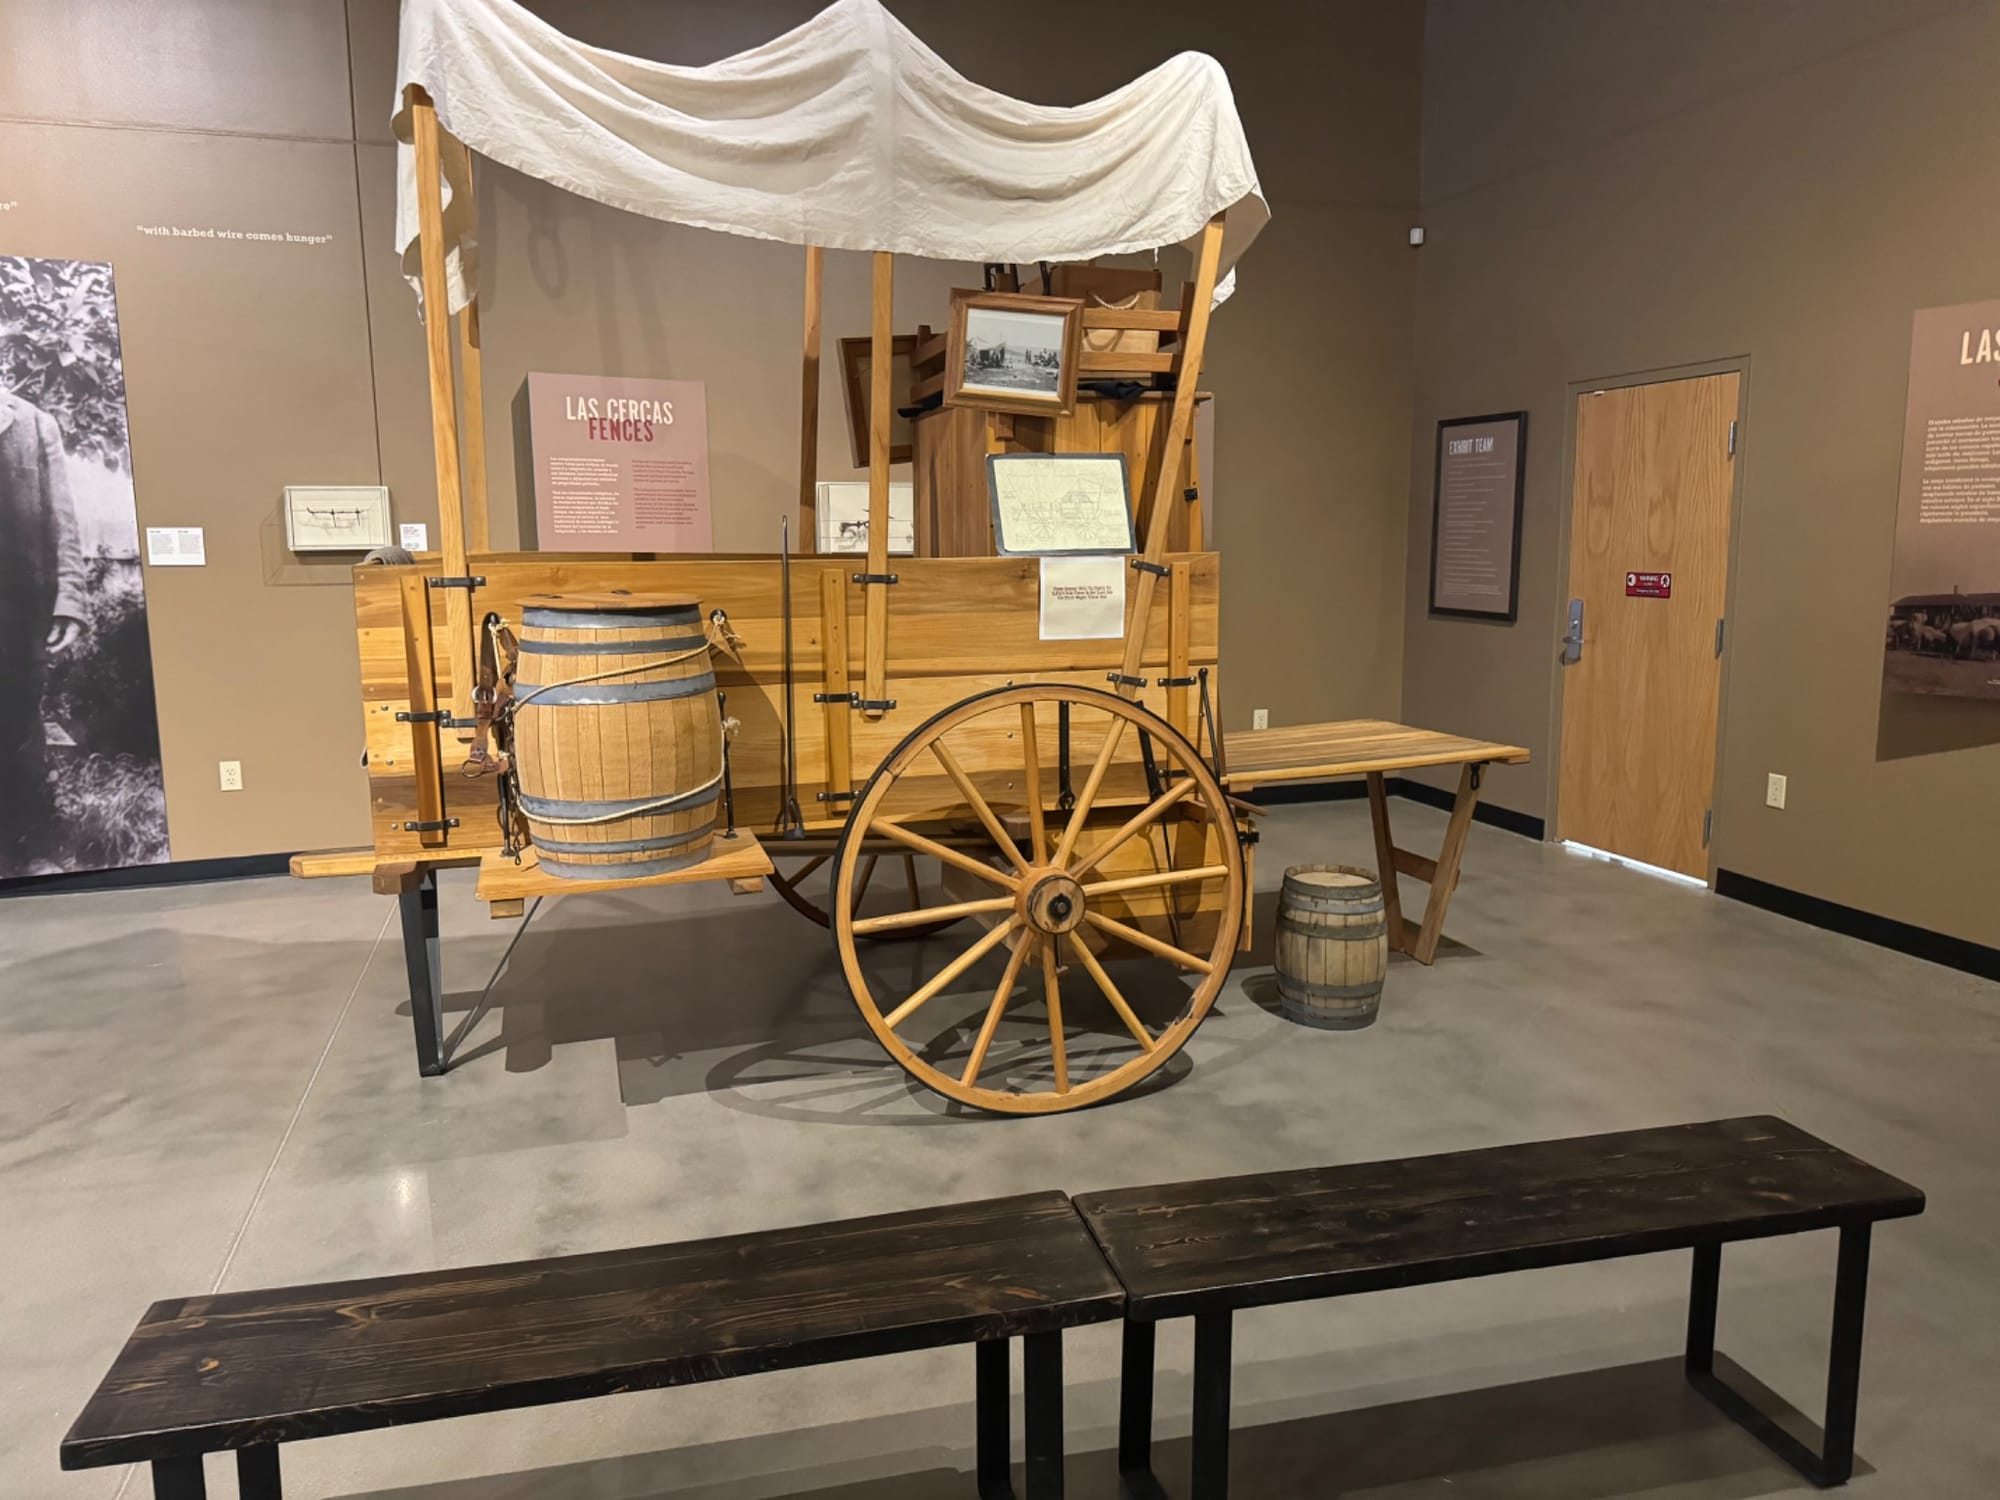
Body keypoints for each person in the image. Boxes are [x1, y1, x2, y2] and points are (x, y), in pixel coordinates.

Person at [0, 386, 86, 876]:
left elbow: (63, 522)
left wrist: (70, 600)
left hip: (18, 609)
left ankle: (30, 847)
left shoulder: (34, 423)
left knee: (18, 722)